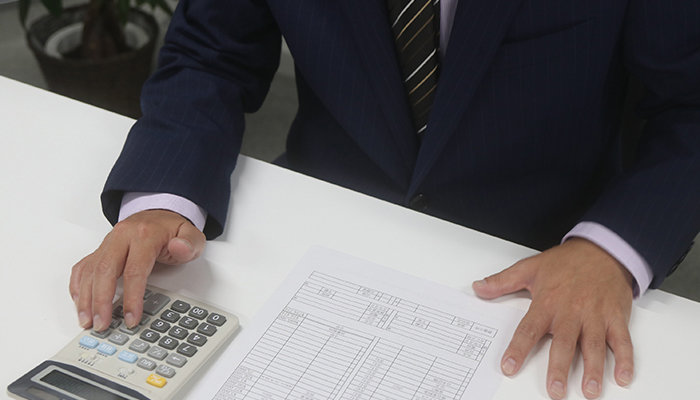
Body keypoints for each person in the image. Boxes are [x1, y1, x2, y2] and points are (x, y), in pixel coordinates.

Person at [69, 0, 700, 399]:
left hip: (535, 258)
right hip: (319, 225)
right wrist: (163, 196)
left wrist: (612, 249)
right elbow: (209, 52)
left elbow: (690, 105)